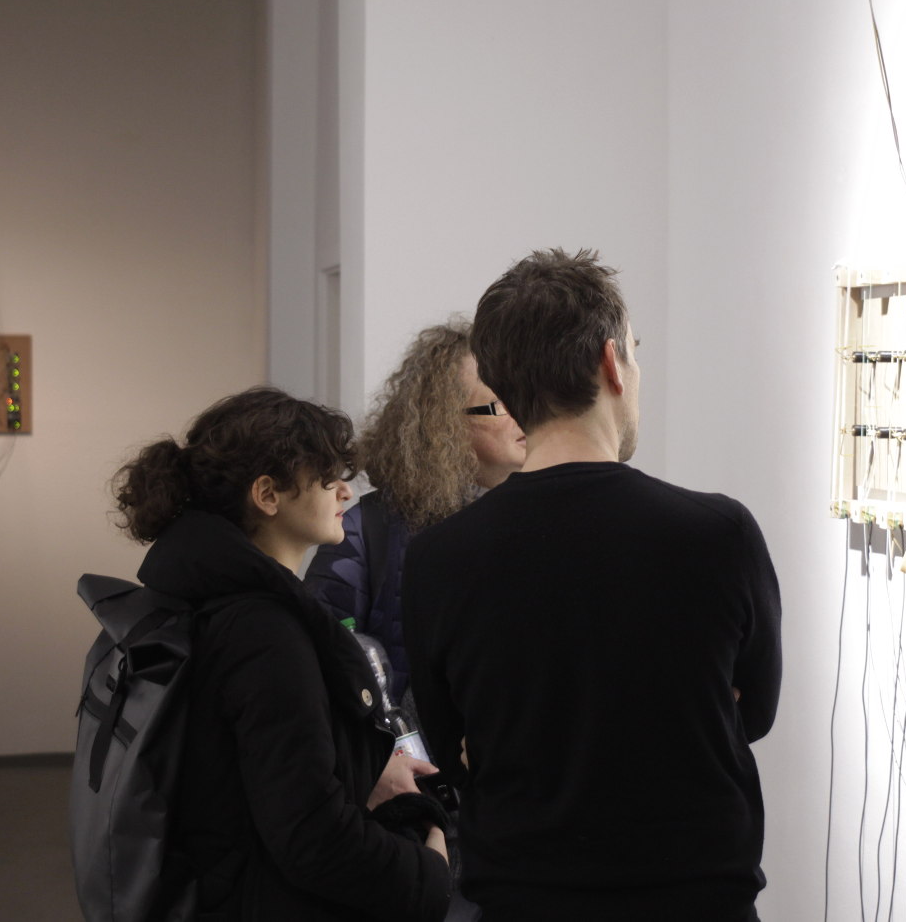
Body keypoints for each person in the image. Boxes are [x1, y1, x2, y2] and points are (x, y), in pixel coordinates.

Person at [401, 249, 783, 922]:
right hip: (697, 899)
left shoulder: (439, 557)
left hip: (524, 900)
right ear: (612, 362)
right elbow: (754, 715)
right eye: (635, 352)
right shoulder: (718, 533)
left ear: (503, 385)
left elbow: (455, 747)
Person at [111, 386, 451, 922]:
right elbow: (312, 837)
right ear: (268, 495)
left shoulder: (201, 593)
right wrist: (428, 873)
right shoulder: (265, 632)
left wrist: (364, 765)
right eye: (328, 479)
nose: (345, 492)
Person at [305, 319, 526, 705]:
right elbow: (322, 663)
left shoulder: (547, 518)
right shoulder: (365, 530)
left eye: (524, 396)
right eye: (500, 405)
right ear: (444, 426)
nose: (524, 414)